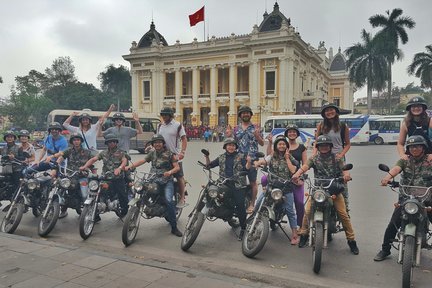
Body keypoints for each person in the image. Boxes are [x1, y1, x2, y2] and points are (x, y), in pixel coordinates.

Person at [292, 135, 359, 255]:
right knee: (307, 212)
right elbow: (305, 167)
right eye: (321, 146)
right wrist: (297, 174)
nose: (324, 147)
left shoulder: (337, 158)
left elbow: (344, 169)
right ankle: (304, 235)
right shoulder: (314, 158)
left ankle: (351, 240)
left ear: (330, 147)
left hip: (333, 190)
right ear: (318, 147)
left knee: (343, 214)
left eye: (326, 145)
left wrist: (346, 175)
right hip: (318, 190)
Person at [374, 135, 432, 261]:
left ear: (423, 147)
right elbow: (396, 169)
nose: (414, 149)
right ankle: (385, 250)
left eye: (417, 146)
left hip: (427, 199)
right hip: (407, 199)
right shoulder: (405, 160)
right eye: (411, 147)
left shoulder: (430, 160)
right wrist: (387, 178)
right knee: (393, 223)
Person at [125, 134, 183, 237]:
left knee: (169, 201)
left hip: (166, 181)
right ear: (153, 144)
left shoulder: (170, 154)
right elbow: (142, 161)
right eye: (155, 143)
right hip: (153, 179)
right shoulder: (152, 153)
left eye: (159, 142)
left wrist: (169, 172)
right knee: (141, 189)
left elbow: (177, 167)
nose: (157, 144)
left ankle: (174, 228)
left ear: (163, 144)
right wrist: (130, 166)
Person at [254, 135, 299, 244]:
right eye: (279, 144)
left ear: (286, 146)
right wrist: (257, 163)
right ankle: (253, 225)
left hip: (286, 188)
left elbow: (293, 170)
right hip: (272, 186)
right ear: (276, 146)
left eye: (284, 144)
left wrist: (287, 158)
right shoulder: (272, 155)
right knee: (259, 204)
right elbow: (264, 161)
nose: (282, 146)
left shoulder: (291, 157)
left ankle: (294, 234)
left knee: (290, 211)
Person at [204, 137, 252, 240]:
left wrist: (248, 162)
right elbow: (209, 165)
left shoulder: (241, 156)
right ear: (225, 146)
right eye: (229, 145)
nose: (231, 147)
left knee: (240, 205)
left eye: (233, 145)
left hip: (237, 184)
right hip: (224, 183)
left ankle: (243, 228)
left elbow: (246, 169)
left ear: (236, 147)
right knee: (212, 193)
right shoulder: (221, 157)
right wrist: (207, 157)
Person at [226, 105, 264, 214]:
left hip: (252, 159)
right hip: (239, 159)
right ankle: (239, 202)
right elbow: (232, 143)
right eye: (243, 113)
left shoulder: (256, 127)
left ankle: (252, 204)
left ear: (251, 115)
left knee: (253, 182)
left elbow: (261, 143)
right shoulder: (236, 128)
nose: (245, 114)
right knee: (238, 182)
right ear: (240, 115)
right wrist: (228, 135)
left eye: (247, 112)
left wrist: (257, 136)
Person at [80, 134, 129, 218]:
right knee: (96, 192)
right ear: (107, 143)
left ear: (116, 143)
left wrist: (120, 168)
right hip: (105, 178)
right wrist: (85, 166)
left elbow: (124, 161)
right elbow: (93, 159)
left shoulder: (121, 152)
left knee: (122, 195)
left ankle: (124, 210)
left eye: (113, 142)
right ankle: (95, 215)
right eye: (109, 142)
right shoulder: (103, 153)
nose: (111, 144)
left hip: (117, 178)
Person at [46, 133, 93, 219]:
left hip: (82, 176)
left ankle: (89, 212)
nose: (76, 142)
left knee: (84, 195)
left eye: (78, 140)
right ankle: (63, 210)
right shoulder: (69, 150)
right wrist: (56, 164)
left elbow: (93, 162)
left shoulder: (87, 152)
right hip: (70, 175)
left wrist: (92, 172)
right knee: (62, 188)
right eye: (74, 140)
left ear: (81, 141)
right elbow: (61, 157)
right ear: (72, 141)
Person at [315, 103, 351, 210]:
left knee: (342, 185)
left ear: (336, 112)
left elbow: (348, 144)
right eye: (327, 111)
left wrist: (341, 154)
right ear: (324, 114)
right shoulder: (321, 126)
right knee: (321, 183)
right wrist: (314, 155)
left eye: (331, 110)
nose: (329, 112)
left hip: (338, 158)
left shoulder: (343, 126)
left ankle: (345, 211)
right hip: (322, 157)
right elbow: (316, 143)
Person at [157, 107, 188, 208]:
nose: (164, 117)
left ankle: (182, 197)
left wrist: (182, 152)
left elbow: (184, 139)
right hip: (161, 156)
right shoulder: (159, 126)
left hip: (174, 155)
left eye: (166, 115)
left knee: (179, 177)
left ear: (170, 115)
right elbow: (157, 139)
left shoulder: (177, 125)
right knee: (156, 175)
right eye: (163, 115)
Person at [0, 131, 27, 196]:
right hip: (6, 168)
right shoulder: (3, 148)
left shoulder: (19, 147)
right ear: (5, 138)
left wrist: (14, 157)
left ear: (14, 138)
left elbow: (22, 158)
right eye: (8, 137)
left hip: (16, 169)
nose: (9, 138)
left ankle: (16, 198)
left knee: (16, 184)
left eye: (11, 137)